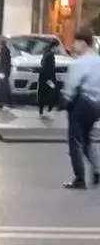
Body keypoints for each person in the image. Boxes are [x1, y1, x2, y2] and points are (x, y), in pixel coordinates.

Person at [61, 28, 100, 189]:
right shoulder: (98, 61)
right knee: (86, 139)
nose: (74, 45)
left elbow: (71, 86)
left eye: (76, 42)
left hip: (81, 103)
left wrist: (64, 101)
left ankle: (80, 178)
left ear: (83, 43)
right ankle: (97, 171)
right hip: (96, 104)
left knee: (75, 141)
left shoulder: (80, 63)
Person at [38, 39, 59, 118]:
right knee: (53, 93)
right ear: (54, 47)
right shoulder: (50, 55)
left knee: (43, 94)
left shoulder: (46, 53)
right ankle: (48, 111)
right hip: (48, 78)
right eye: (57, 47)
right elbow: (46, 67)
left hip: (45, 78)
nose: (58, 49)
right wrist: (48, 80)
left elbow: (42, 63)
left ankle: (42, 112)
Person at [0, 39, 13, 108]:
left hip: (3, 72)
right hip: (4, 72)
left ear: (1, 44)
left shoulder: (4, 50)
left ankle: (1, 103)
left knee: (0, 87)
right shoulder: (5, 50)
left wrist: (3, 73)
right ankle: (8, 102)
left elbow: (5, 61)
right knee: (5, 87)